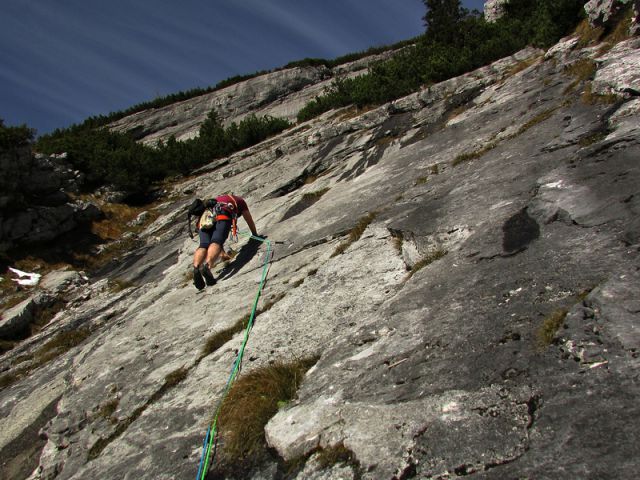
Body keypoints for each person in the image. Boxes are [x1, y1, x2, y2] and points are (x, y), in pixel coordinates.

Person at [192, 193, 258, 290]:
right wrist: (255, 234)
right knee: (217, 241)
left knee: (203, 245)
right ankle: (207, 266)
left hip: (204, 219)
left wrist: (223, 254)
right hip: (221, 214)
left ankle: (196, 267)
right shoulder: (240, 201)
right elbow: (249, 219)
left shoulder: (215, 200)